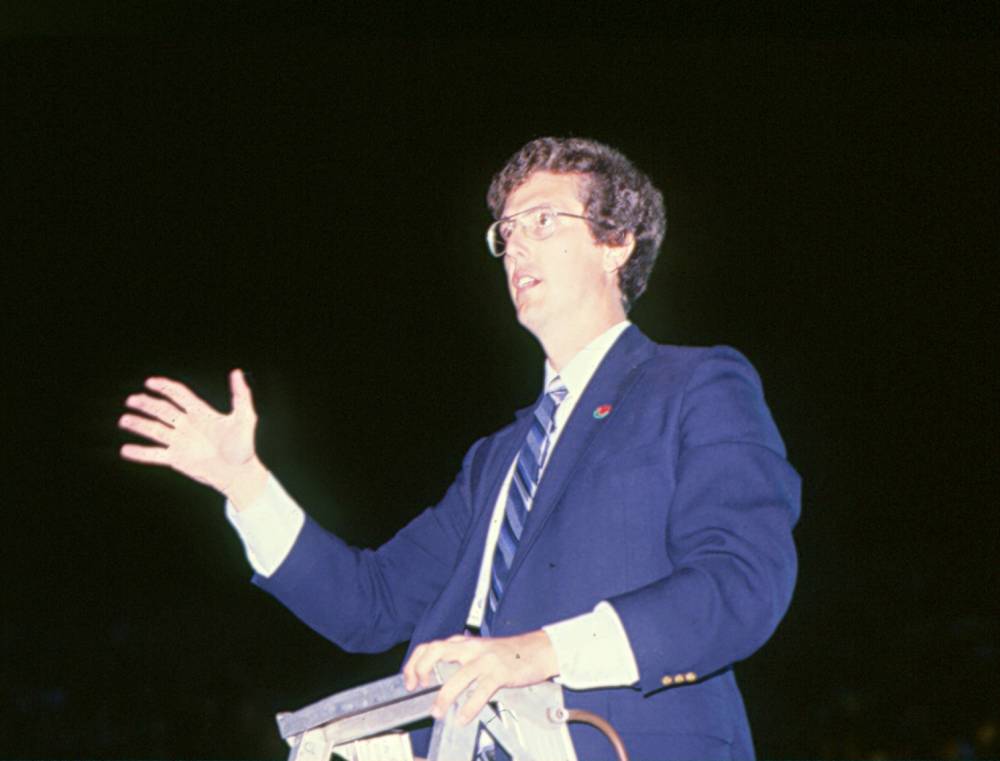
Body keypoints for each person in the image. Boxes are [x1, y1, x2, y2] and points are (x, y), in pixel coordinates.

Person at [119, 137, 800, 760]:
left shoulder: (697, 384)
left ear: (616, 240)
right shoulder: (495, 460)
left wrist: (535, 653)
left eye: (542, 222)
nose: (517, 248)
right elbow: (370, 603)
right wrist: (245, 483)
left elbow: (742, 582)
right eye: (505, 232)